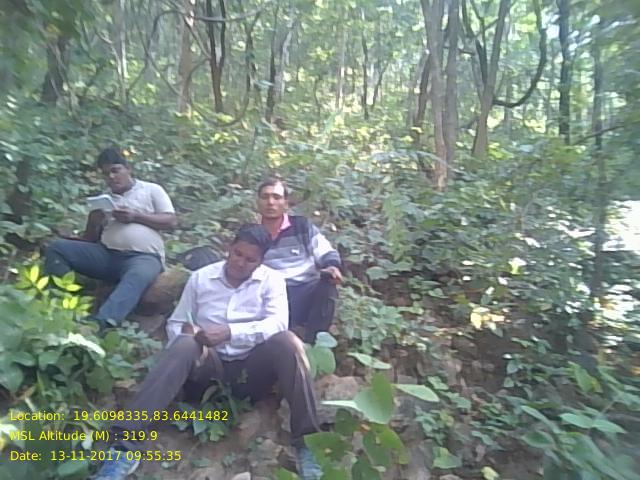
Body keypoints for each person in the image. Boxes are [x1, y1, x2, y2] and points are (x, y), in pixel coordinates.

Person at [93, 224, 322, 480]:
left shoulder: (272, 281)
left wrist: (231, 332)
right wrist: (188, 333)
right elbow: (176, 322)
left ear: (261, 261)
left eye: (250, 259)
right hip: (207, 368)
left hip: (251, 371)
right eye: (237, 254)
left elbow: (277, 324)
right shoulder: (201, 278)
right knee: (185, 343)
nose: (240, 263)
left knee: (289, 342)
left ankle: (308, 444)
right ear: (229, 248)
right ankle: (124, 446)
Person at [44, 147, 177, 328]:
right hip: (106, 255)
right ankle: (65, 304)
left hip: (143, 257)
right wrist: (94, 221)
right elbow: (90, 239)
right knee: (57, 248)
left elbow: (171, 221)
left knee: (137, 276)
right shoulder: (104, 199)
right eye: (106, 174)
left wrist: (135, 216)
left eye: (116, 170)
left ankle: (100, 324)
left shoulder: (151, 190)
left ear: (128, 169)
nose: (112, 177)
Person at [257, 178, 343, 343]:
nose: (270, 202)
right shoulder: (252, 233)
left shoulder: (301, 226)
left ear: (285, 203)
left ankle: (314, 344)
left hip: (303, 289)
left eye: (276, 197)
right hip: (268, 294)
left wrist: (332, 266)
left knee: (327, 286)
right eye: (265, 197)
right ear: (257, 202)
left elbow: (324, 250)